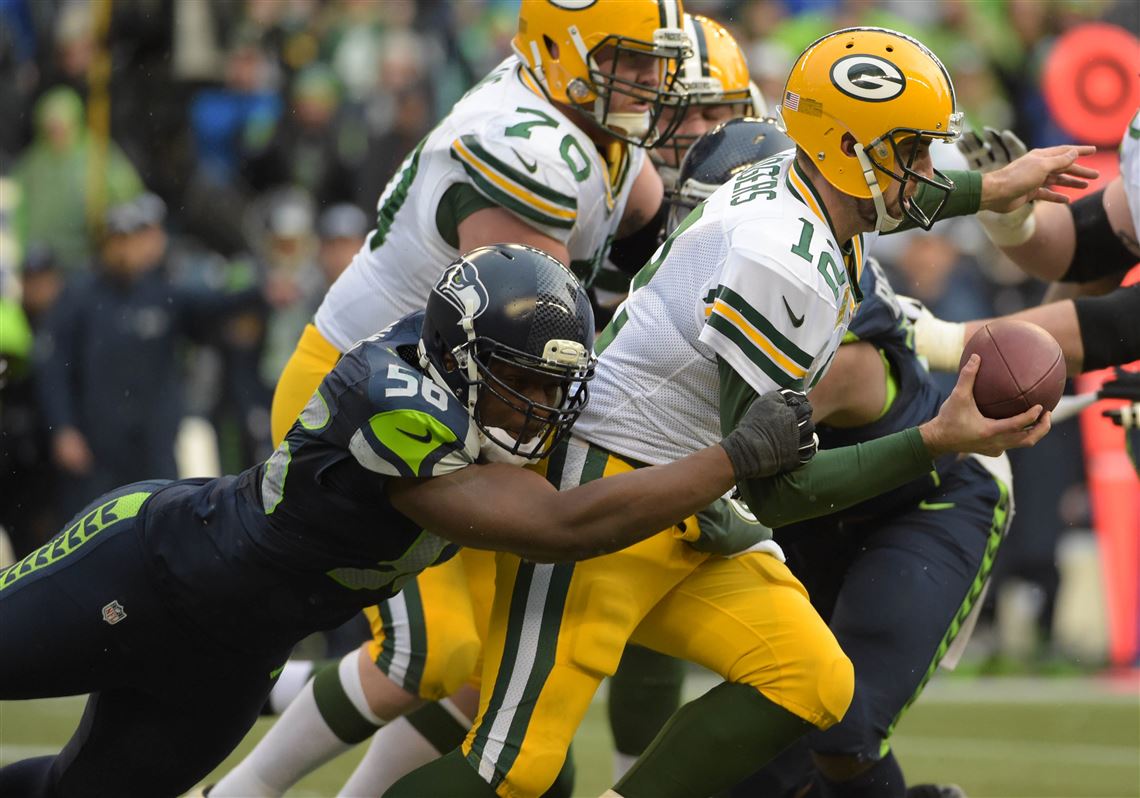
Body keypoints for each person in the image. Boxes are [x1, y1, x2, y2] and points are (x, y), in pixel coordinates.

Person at [385, 27, 1070, 798]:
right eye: (909, 150)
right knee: (514, 771)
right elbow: (777, 484)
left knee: (811, 682)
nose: (922, 171)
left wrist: (992, 191)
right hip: (610, 483)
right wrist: (936, 440)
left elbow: (885, 200)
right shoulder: (785, 260)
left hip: (689, 490)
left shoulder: (797, 179)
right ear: (848, 149)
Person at [0, 244, 815, 798]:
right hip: (147, 569)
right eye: (517, 382)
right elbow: (562, 524)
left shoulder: (479, 392)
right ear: (459, 356)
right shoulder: (386, 393)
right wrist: (730, 460)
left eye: (548, 388)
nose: (537, 408)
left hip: (233, 655)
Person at [212, 3, 694, 794]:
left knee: (481, 669)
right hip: (370, 397)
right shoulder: (527, 147)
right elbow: (541, 342)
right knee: (430, 653)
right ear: (558, 49)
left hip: (472, 404)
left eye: (655, 58)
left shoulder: (600, 139)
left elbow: (640, 241)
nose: (647, 77)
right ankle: (241, 790)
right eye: (625, 56)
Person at [33, 193, 266, 521]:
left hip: (153, 441)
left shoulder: (162, 292)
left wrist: (261, 289)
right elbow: (53, 367)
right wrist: (62, 427)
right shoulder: (79, 297)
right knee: (93, 530)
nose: (126, 250)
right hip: (97, 445)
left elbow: (213, 308)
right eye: (118, 240)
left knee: (160, 525)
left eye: (133, 239)